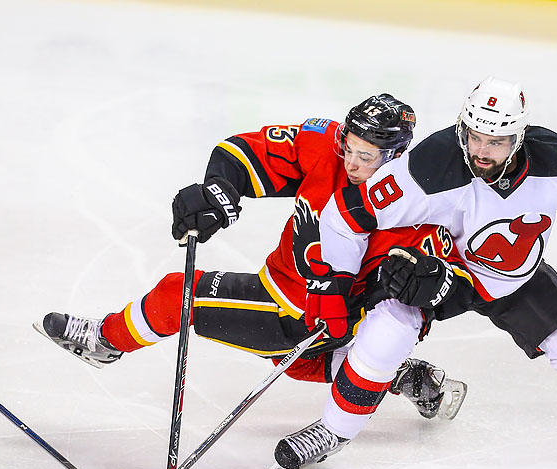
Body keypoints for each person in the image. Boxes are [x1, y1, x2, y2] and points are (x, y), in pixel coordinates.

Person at [278, 75, 557, 469]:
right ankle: (332, 430)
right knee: (385, 334)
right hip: (439, 274)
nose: (481, 151)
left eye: (495, 142)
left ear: (519, 138)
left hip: (514, 278)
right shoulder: (432, 166)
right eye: (474, 137)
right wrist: (333, 284)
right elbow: (345, 217)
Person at [39, 94, 466, 420]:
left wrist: (383, 314)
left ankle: (104, 341)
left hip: (312, 313)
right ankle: (405, 375)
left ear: (395, 157)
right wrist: (218, 191)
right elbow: (246, 151)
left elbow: (432, 289)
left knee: (177, 294)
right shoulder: (326, 148)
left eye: (366, 156)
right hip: (283, 289)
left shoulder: (416, 211)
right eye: (348, 148)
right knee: (297, 365)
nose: (351, 163)